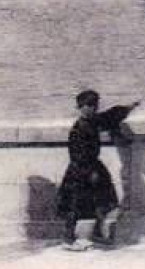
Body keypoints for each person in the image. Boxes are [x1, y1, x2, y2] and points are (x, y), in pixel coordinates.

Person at [55, 91, 138, 249]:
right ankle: (69, 239)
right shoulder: (77, 129)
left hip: (94, 167)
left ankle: (97, 234)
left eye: (94, 105)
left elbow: (110, 115)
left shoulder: (93, 121)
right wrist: (88, 172)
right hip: (80, 171)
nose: (92, 109)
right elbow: (76, 154)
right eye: (88, 106)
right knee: (76, 205)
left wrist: (129, 108)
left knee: (102, 203)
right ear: (80, 107)